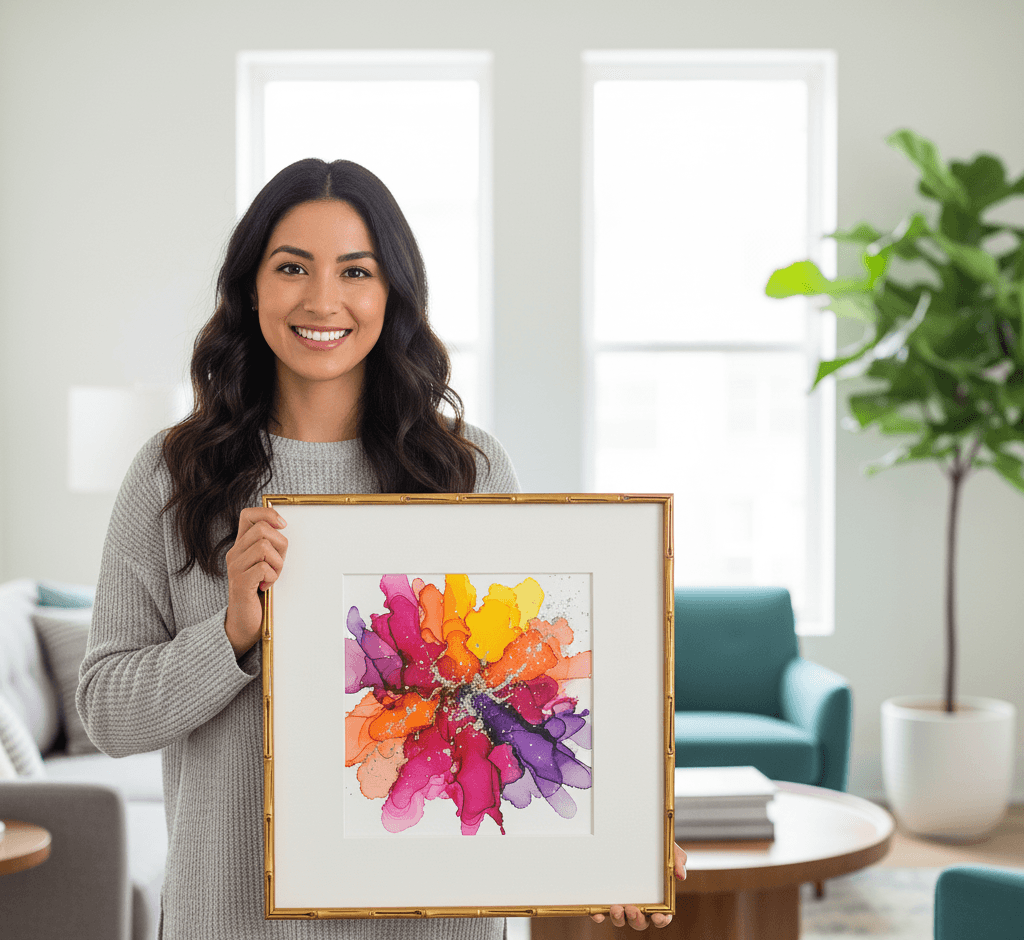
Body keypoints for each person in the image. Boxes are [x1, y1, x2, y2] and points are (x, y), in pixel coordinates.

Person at [77, 158, 684, 939]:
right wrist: (230, 633)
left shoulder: (470, 470)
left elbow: (524, 688)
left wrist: (611, 840)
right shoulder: (172, 473)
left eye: (355, 271)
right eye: (291, 267)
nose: (322, 300)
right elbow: (107, 715)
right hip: (228, 920)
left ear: (392, 292)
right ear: (250, 287)